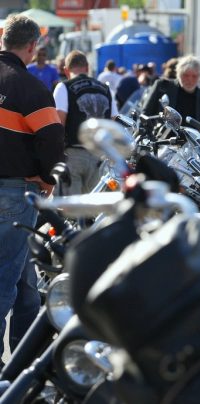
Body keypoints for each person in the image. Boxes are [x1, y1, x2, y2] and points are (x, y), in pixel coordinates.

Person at [0, 14, 64, 357]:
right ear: (31, 46)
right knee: (5, 283)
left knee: (24, 285)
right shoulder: (30, 88)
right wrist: (47, 176)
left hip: (13, 192)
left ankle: (22, 359)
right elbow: (53, 138)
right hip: (13, 194)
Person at [53, 50, 117, 195]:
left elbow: (58, 123)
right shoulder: (106, 89)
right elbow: (114, 122)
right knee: (94, 212)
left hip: (73, 155)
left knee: (70, 210)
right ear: (87, 68)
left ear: (66, 70)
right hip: (99, 157)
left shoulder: (64, 87)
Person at [141, 54, 200, 126]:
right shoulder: (163, 86)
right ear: (178, 74)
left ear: (199, 77)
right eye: (186, 75)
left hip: (194, 139)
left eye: (194, 76)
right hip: (164, 138)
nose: (190, 80)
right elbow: (145, 114)